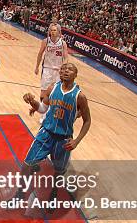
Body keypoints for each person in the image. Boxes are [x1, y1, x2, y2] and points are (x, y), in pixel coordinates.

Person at [21, 63, 91, 204]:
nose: (65, 71)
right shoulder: (52, 88)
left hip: (63, 139)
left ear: (76, 75)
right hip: (46, 133)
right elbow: (42, 108)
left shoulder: (80, 97)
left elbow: (87, 121)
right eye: (63, 69)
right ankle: (19, 194)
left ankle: (53, 193)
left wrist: (76, 141)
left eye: (69, 69)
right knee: (27, 164)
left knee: (59, 172)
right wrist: (32, 102)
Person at [35, 23, 68, 102]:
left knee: (57, 92)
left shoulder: (63, 43)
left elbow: (66, 58)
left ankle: (52, 109)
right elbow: (40, 54)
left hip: (58, 70)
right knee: (44, 91)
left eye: (54, 30)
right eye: (51, 30)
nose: (53, 32)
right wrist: (37, 67)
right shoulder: (46, 41)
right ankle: (43, 110)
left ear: (58, 32)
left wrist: (63, 69)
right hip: (47, 69)